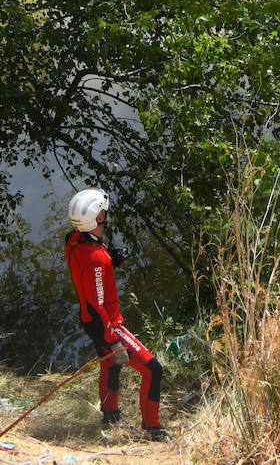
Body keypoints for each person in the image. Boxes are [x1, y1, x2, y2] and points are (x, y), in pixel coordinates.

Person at [64, 187, 170, 441]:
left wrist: (111, 259)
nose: (105, 213)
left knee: (110, 365)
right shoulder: (96, 261)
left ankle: (110, 414)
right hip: (106, 324)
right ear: (97, 219)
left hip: (89, 322)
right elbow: (96, 303)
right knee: (153, 370)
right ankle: (153, 429)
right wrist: (113, 340)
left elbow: (88, 273)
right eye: (102, 211)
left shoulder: (74, 240)